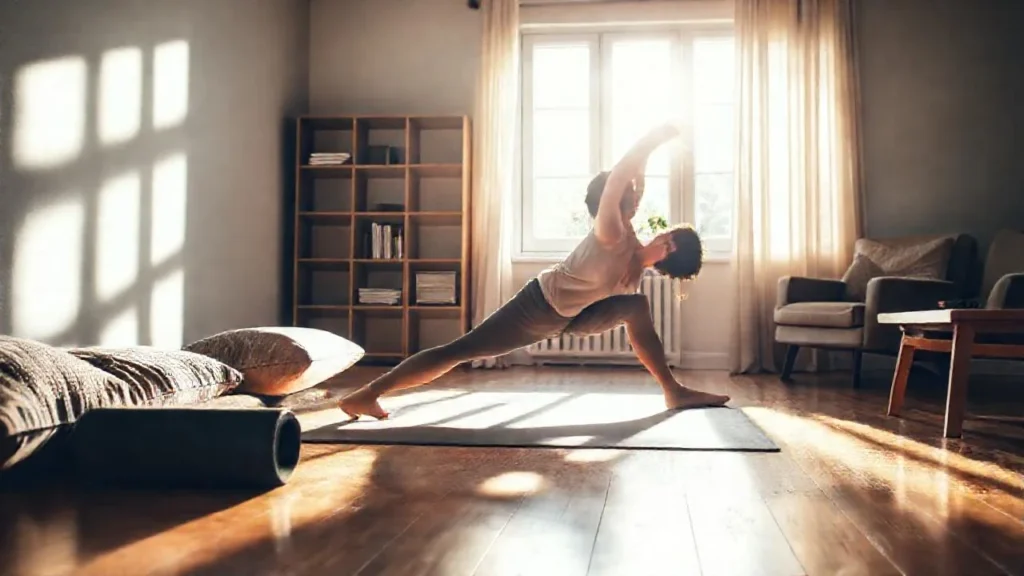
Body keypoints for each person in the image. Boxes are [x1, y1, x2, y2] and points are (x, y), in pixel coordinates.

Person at [338, 121, 730, 420]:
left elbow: (626, 179)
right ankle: (368, 393)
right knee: (460, 351)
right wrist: (656, 140)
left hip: (571, 317)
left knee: (636, 307)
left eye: (668, 232)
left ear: (668, 246)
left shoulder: (627, 252)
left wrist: (653, 143)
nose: (657, 224)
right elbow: (628, 177)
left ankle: (672, 390)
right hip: (538, 307)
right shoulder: (616, 234)